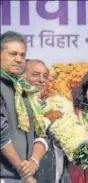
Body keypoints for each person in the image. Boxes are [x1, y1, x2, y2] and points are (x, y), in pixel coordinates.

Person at [0, 31, 48, 183]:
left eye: (22, 55)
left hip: (23, 176)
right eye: (13, 54)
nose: (19, 59)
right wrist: (25, 173)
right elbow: (1, 135)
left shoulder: (25, 90)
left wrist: (34, 161)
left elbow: (39, 132)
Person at [22, 59, 68, 183]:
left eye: (45, 76)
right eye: (35, 75)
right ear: (21, 77)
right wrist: (47, 119)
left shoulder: (51, 105)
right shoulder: (17, 106)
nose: (41, 80)